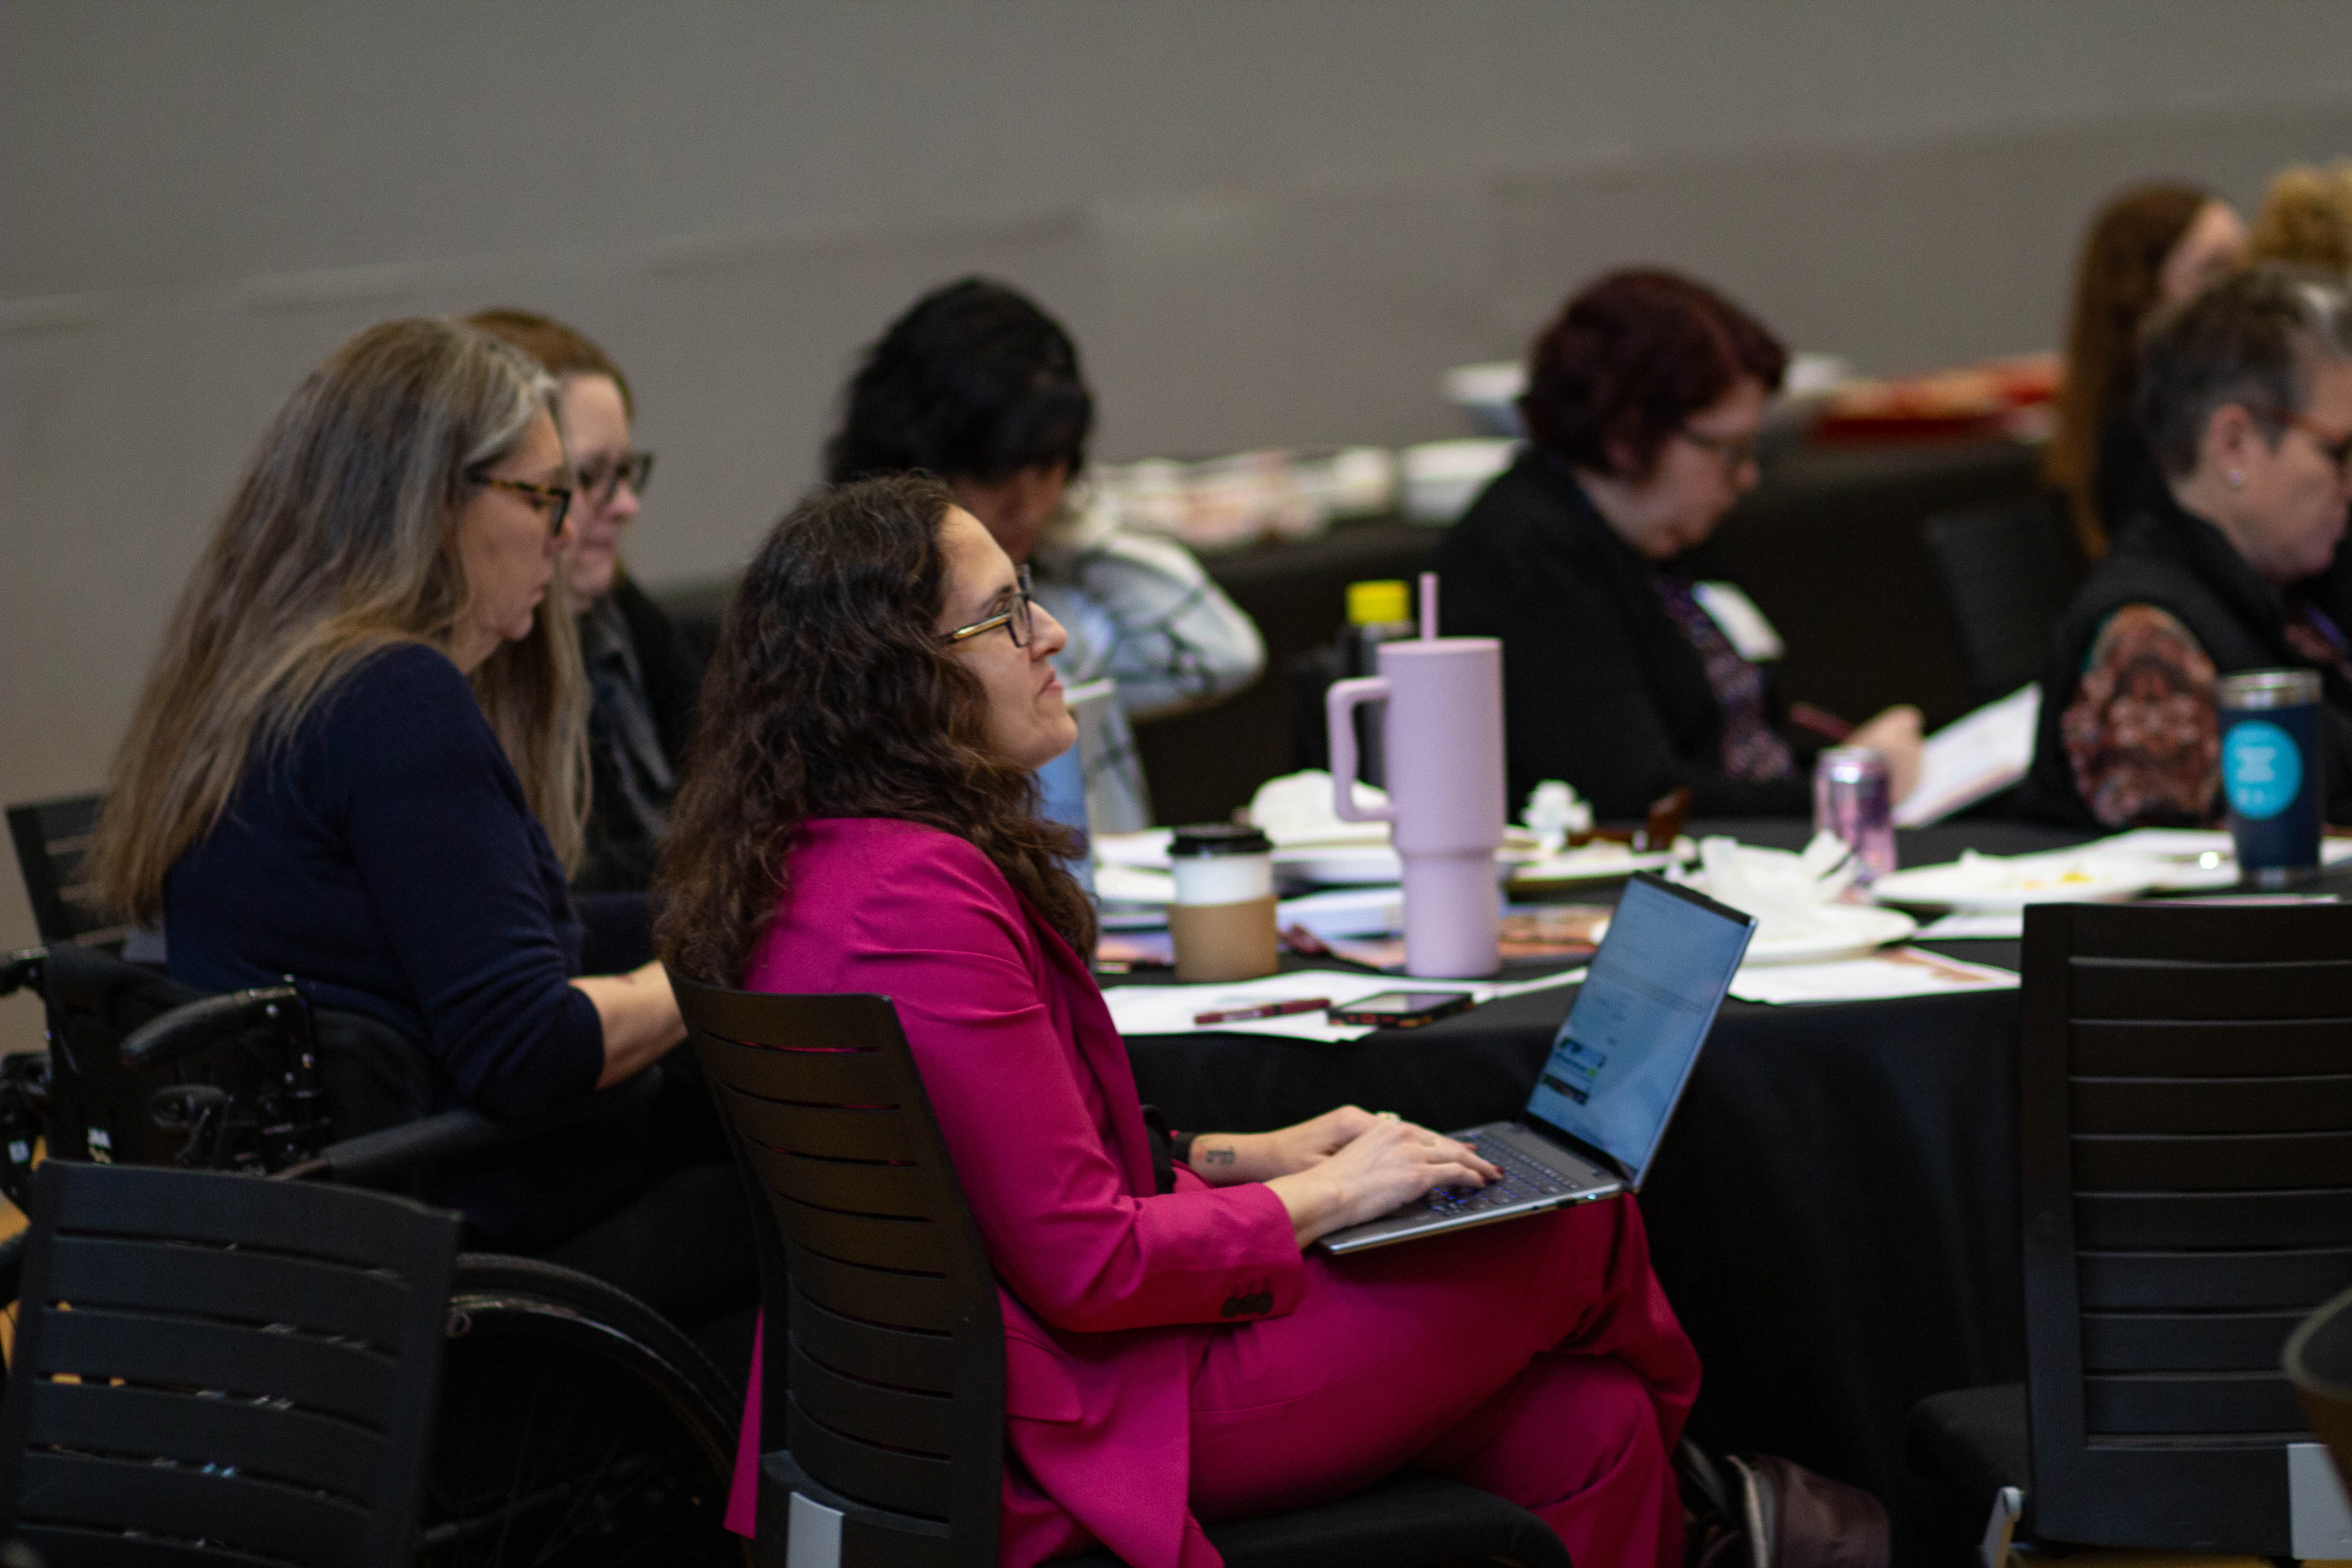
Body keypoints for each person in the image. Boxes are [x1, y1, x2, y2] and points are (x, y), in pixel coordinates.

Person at [658, 475, 1701, 1568]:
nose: (1051, 632)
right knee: (1577, 1226)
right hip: (1083, 1414)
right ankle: (1734, 1498)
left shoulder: (812, 860)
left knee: (1590, 1428)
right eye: (1004, 614)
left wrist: (1256, 1155)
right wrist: (1331, 1193)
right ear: (893, 677)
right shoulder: (913, 900)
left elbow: (1010, 1171)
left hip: (993, 1387)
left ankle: (1703, 1504)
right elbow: (1091, 1262)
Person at [88, 318, 745, 1323]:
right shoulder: (398, 699)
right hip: (449, 1264)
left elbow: (499, 938)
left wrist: (722, 906)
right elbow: (527, 1050)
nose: (563, 532)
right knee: (794, 1208)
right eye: (544, 495)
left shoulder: (266, 684)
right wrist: (717, 960)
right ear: (436, 506)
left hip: (313, 1251)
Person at [1435, 268, 1922, 820]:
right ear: (1627, 436)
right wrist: (1845, 787)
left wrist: (1842, 770)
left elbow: (1741, 741)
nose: (1747, 478)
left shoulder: (1660, 529)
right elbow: (1635, 800)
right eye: (1729, 450)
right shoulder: (1521, 558)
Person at [825, 277, 1265, 831]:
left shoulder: (1069, 606)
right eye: (998, 474)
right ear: (921, 465)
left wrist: (1072, 523)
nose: (1029, 508)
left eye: (1050, 469)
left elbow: (1223, 655)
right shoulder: (856, 633)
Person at [2022, 264, 2352, 828]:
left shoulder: (2276, 591)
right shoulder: (2146, 645)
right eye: (2338, 453)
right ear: (2233, 446)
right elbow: (2212, 879)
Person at [468, 308, 698, 902]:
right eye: (588, 476)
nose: (625, 505)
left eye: (626, 472)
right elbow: (565, 903)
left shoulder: (620, 615)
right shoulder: (475, 662)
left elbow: (737, 793)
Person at [2047, 182, 2249, 559]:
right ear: (2139, 295)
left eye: (2247, 269)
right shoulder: (2138, 443)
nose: (2244, 295)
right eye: (2215, 271)